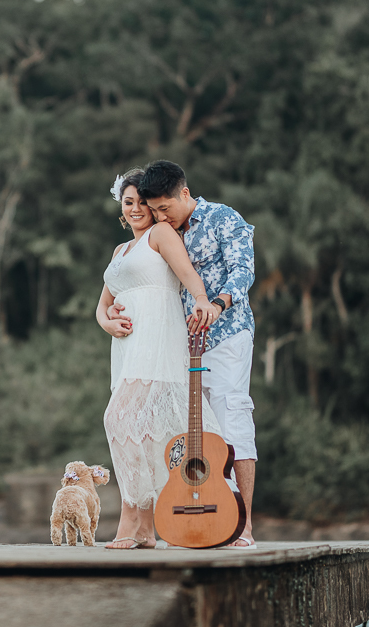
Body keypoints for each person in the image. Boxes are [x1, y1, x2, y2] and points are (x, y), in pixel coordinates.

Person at [111, 159, 258, 548]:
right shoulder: (158, 233)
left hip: (225, 333)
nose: (159, 216)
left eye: (164, 208)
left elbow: (243, 271)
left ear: (185, 194)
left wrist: (216, 303)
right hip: (178, 343)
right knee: (184, 433)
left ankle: (242, 526)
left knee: (230, 419)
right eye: (151, 208)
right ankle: (187, 519)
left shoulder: (223, 219)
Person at [95, 168, 221, 550]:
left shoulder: (160, 235)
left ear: (152, 205)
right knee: (141, 431)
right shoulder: (120, 252)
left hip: (157, 341)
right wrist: (107, 322)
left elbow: (188, 276)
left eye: (140, 202)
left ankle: (132, 519)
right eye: (127, 202)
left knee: (119, 419)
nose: (135, 209)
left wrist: (201, 300)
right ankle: (146, 529)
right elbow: (101, 307)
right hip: (128, 350)